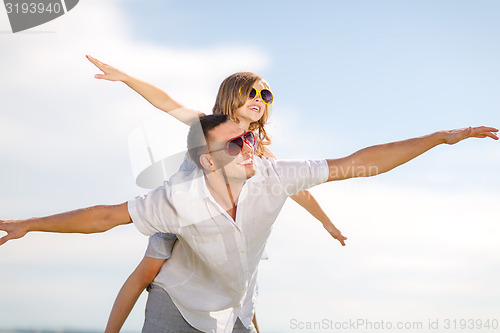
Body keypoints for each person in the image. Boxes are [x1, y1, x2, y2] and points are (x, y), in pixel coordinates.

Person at [0, 114, 497, 332]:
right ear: (209, 162)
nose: (251, 146)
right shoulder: (177, 199)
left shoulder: (276, 176)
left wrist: (441, 137)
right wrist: (29, 224)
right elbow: (105, 216)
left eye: (251, 138)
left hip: (232, 312)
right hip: (178, 309)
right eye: (236, 142)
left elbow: (361, 160)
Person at [85, 55, 346, 333]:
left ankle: (246, 325)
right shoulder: (206, 124)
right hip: (180, 212)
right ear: (230, 97)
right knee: (146, 273)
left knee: (241, 272)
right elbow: (166, 102)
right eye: (250, 93)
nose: (259, 98)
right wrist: (126, 78)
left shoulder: (256, 150)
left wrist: (326, 222)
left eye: (265, 94)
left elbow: (296, 188)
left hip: (219, 223)